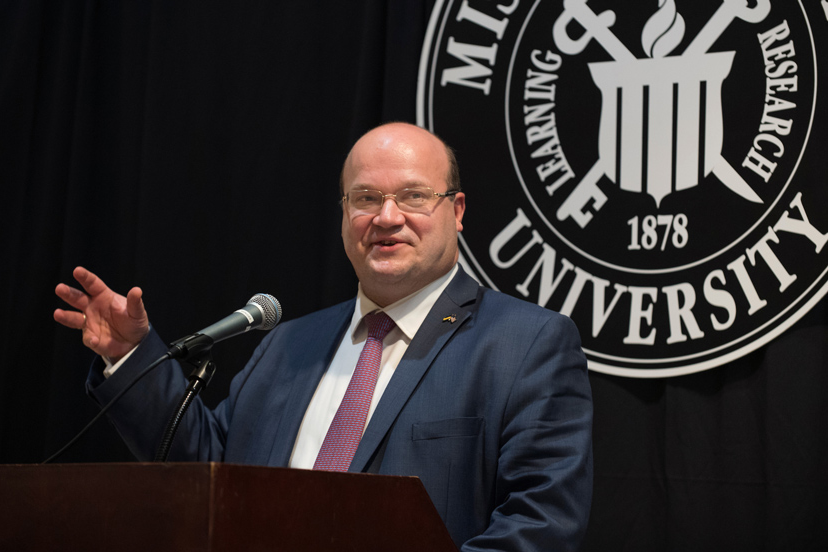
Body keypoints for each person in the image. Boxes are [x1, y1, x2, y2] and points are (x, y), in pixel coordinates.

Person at [54, 122, 593, 551]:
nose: (386, 217)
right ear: (343, 216)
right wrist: (129, 355)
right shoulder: (289, 344)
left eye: (412, 196)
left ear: (456, 211)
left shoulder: (528, 345)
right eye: (365, 198)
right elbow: (207, 466)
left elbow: (539, 527)